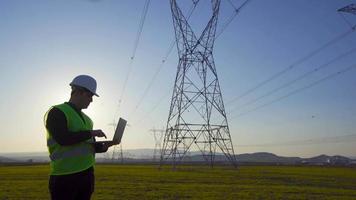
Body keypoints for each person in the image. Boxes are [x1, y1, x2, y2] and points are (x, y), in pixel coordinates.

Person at [44, 75, 118, 200]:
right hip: (64, 177)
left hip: (87, 174)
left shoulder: (88, 120)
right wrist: (91, 133)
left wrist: (103, 146)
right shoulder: (57, 112)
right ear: (77, 92)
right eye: (89, 96)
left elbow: (87, 145)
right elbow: (63, 139)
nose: (91, 100)